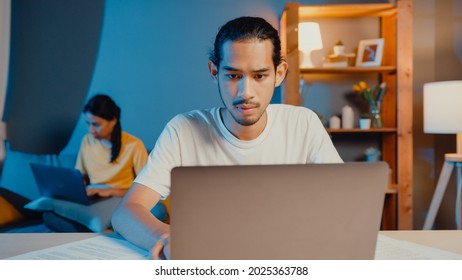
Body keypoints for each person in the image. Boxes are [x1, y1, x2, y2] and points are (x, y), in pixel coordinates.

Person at [111, 16, 343, 259]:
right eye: (233, 76)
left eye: (260, 76)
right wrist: (167, 236)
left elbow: (342, 203)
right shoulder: (183, 130)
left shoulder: (303, 123)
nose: (246, 93)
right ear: (214, 72)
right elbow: (126, 212)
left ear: (279, 73)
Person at [76, 94, 148, 198]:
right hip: (94, 194)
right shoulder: (86, 141)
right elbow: (81, 175)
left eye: (96, 124)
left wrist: (110, 191)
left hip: (120, 197)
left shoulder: (134, 145)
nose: (91, 130)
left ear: (113, 120)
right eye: (88, 123)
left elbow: (145, 189)